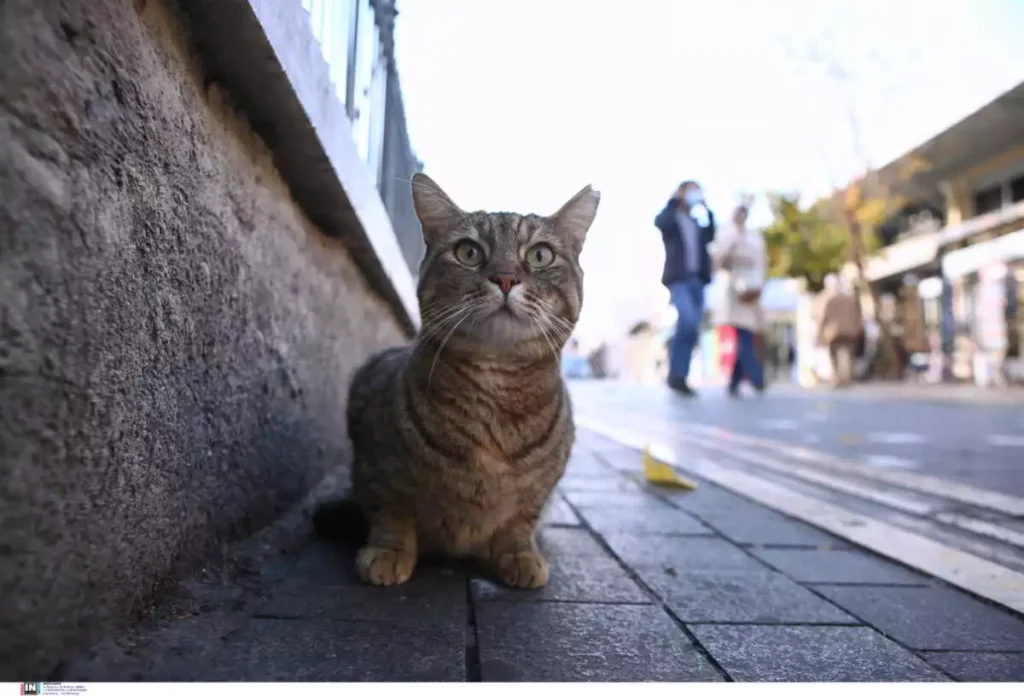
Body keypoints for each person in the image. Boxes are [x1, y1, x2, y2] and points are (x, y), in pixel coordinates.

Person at [654, 180, 716, 396]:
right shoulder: (672, 219)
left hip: (697, 280)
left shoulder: (696, 222)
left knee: (691, 328)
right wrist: (674, 200)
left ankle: (680, 376)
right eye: (690, 192)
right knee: (688, 319)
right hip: (678, 279)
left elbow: (711, 235)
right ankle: (676, 373)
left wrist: (707, 209)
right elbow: (660, 222)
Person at [714, 204, 767, 397]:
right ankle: (756, 377)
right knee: (743, 334)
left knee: (746, 334)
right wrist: (735, 237)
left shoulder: (755, 237)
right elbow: (720, 261)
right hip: (733, 292)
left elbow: (762, 263)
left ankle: (736, 381)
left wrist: (761, 285)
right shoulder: (726, 234)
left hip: (751, 290)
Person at [817, 274, 862, 388]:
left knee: (835, 354)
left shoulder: (832, 301)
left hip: (835, 332)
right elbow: (858, 316)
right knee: (849, 354)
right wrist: (857, 329)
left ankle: (838, 378)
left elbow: (825, 318)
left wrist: (822, 332)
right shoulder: (852, 300)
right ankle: (847, 378)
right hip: (850, 331)